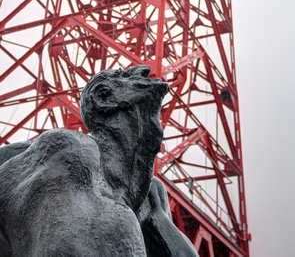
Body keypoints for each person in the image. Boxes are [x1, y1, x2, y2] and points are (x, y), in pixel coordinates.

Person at [0, 65, 198, 256]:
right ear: (102, 97)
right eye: (124, 75)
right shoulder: (68, 150)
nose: (144, 69)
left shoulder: (151, 193)